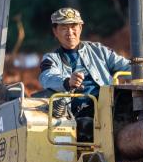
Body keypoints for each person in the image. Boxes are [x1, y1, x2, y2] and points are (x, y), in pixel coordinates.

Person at [38, 7, 130, 140]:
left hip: (109, 104)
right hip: (79, 111)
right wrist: (67, 81)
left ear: (80, 28)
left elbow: (126, 65)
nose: (70, 32)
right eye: (64, 28)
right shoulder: (51, 59)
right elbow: (47, 77)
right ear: (55, 31)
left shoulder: (99, 50)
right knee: (87, 125)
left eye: (73, 26)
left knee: (131, 101)